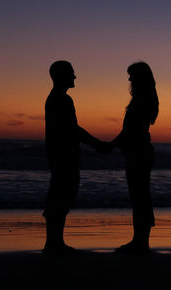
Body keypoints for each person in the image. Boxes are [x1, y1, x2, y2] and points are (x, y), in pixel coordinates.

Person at [43, 60, 110, 255]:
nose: (74, 77)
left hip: (58, 154)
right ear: (63, 76)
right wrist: (98, 144)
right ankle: (54, 243)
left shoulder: (54, 98)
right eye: (72, 73)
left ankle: (55, 241)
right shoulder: (62, 100)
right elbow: (73, 130)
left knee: (59, 195)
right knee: (61, 196)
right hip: (65, 155)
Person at [111, 61, 159, 254]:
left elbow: (129, 131)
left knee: (139, 196)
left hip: (138, 152)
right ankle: (139, 240)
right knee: (140, 196)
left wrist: (108, 145)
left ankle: (140, 242)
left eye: (132, 76)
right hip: (140, 151)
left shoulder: (141, 100)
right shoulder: (145, 98)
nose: (129, 79)